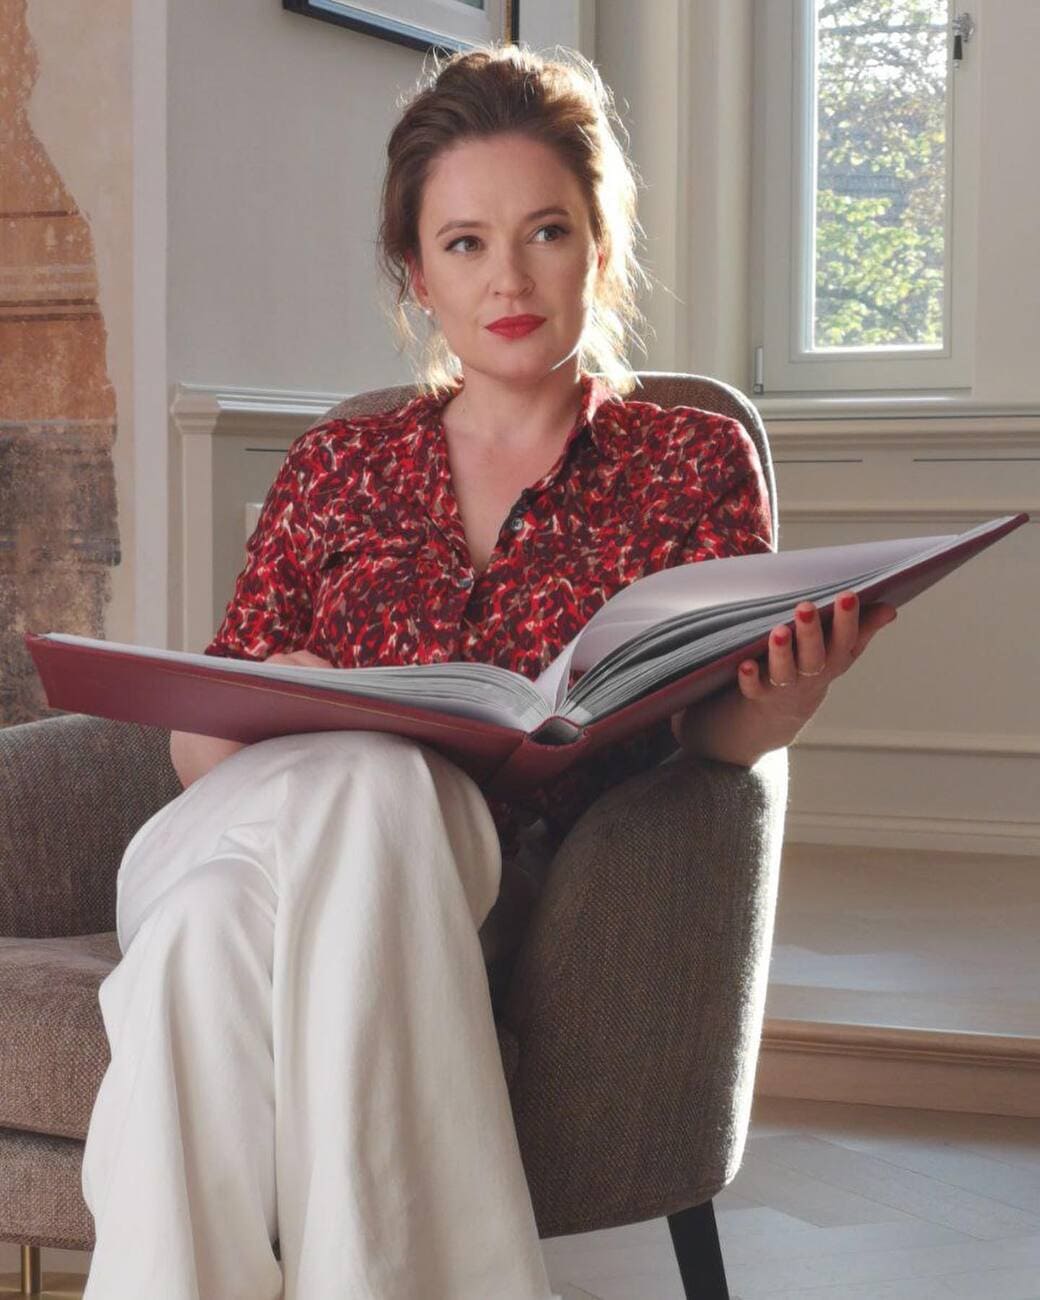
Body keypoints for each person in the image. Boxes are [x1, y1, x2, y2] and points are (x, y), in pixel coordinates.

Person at [79, 41, 897, 1300]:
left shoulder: (687, 463)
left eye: (544, 233)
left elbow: (709, 741)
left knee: (206, 943)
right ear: (417, 274)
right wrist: (284, 688)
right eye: (463, 243)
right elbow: (199, 758)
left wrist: (787, 697)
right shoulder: (335, 467)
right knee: (359, 786)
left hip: (477, 882)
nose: (507, 278)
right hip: (229, 836)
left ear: (599, 247)